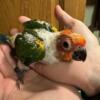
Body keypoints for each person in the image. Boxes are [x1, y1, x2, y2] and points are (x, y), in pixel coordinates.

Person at [0, 5, 100, 100]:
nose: (79, 51)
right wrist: (20, 67)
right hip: (18, 44)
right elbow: (21, 48)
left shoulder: (52, 31)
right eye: (66, 45)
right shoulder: (38, 49)